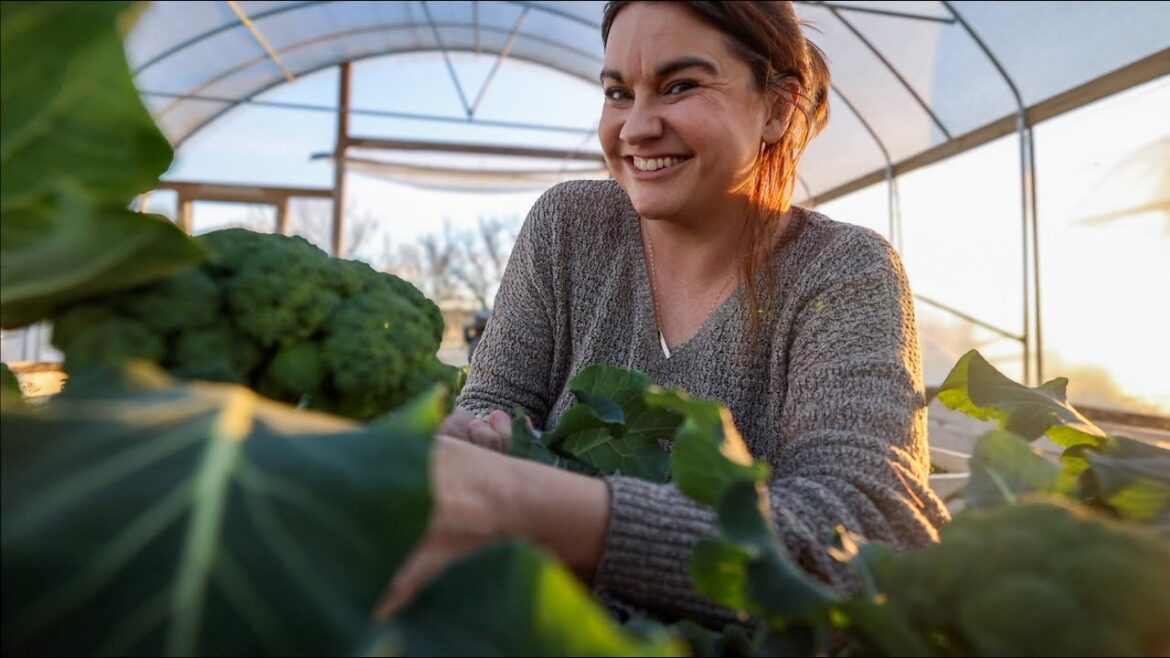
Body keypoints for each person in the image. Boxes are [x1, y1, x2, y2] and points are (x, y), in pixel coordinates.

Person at [378, 0, 950, 627]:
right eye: (618, 93)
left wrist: (548, 509)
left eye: (680, 86)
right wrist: (465, 439)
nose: (636, 128)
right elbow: (493, 405)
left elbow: (867, 532)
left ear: (778, 108)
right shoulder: (566, 229)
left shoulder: (842, 271)